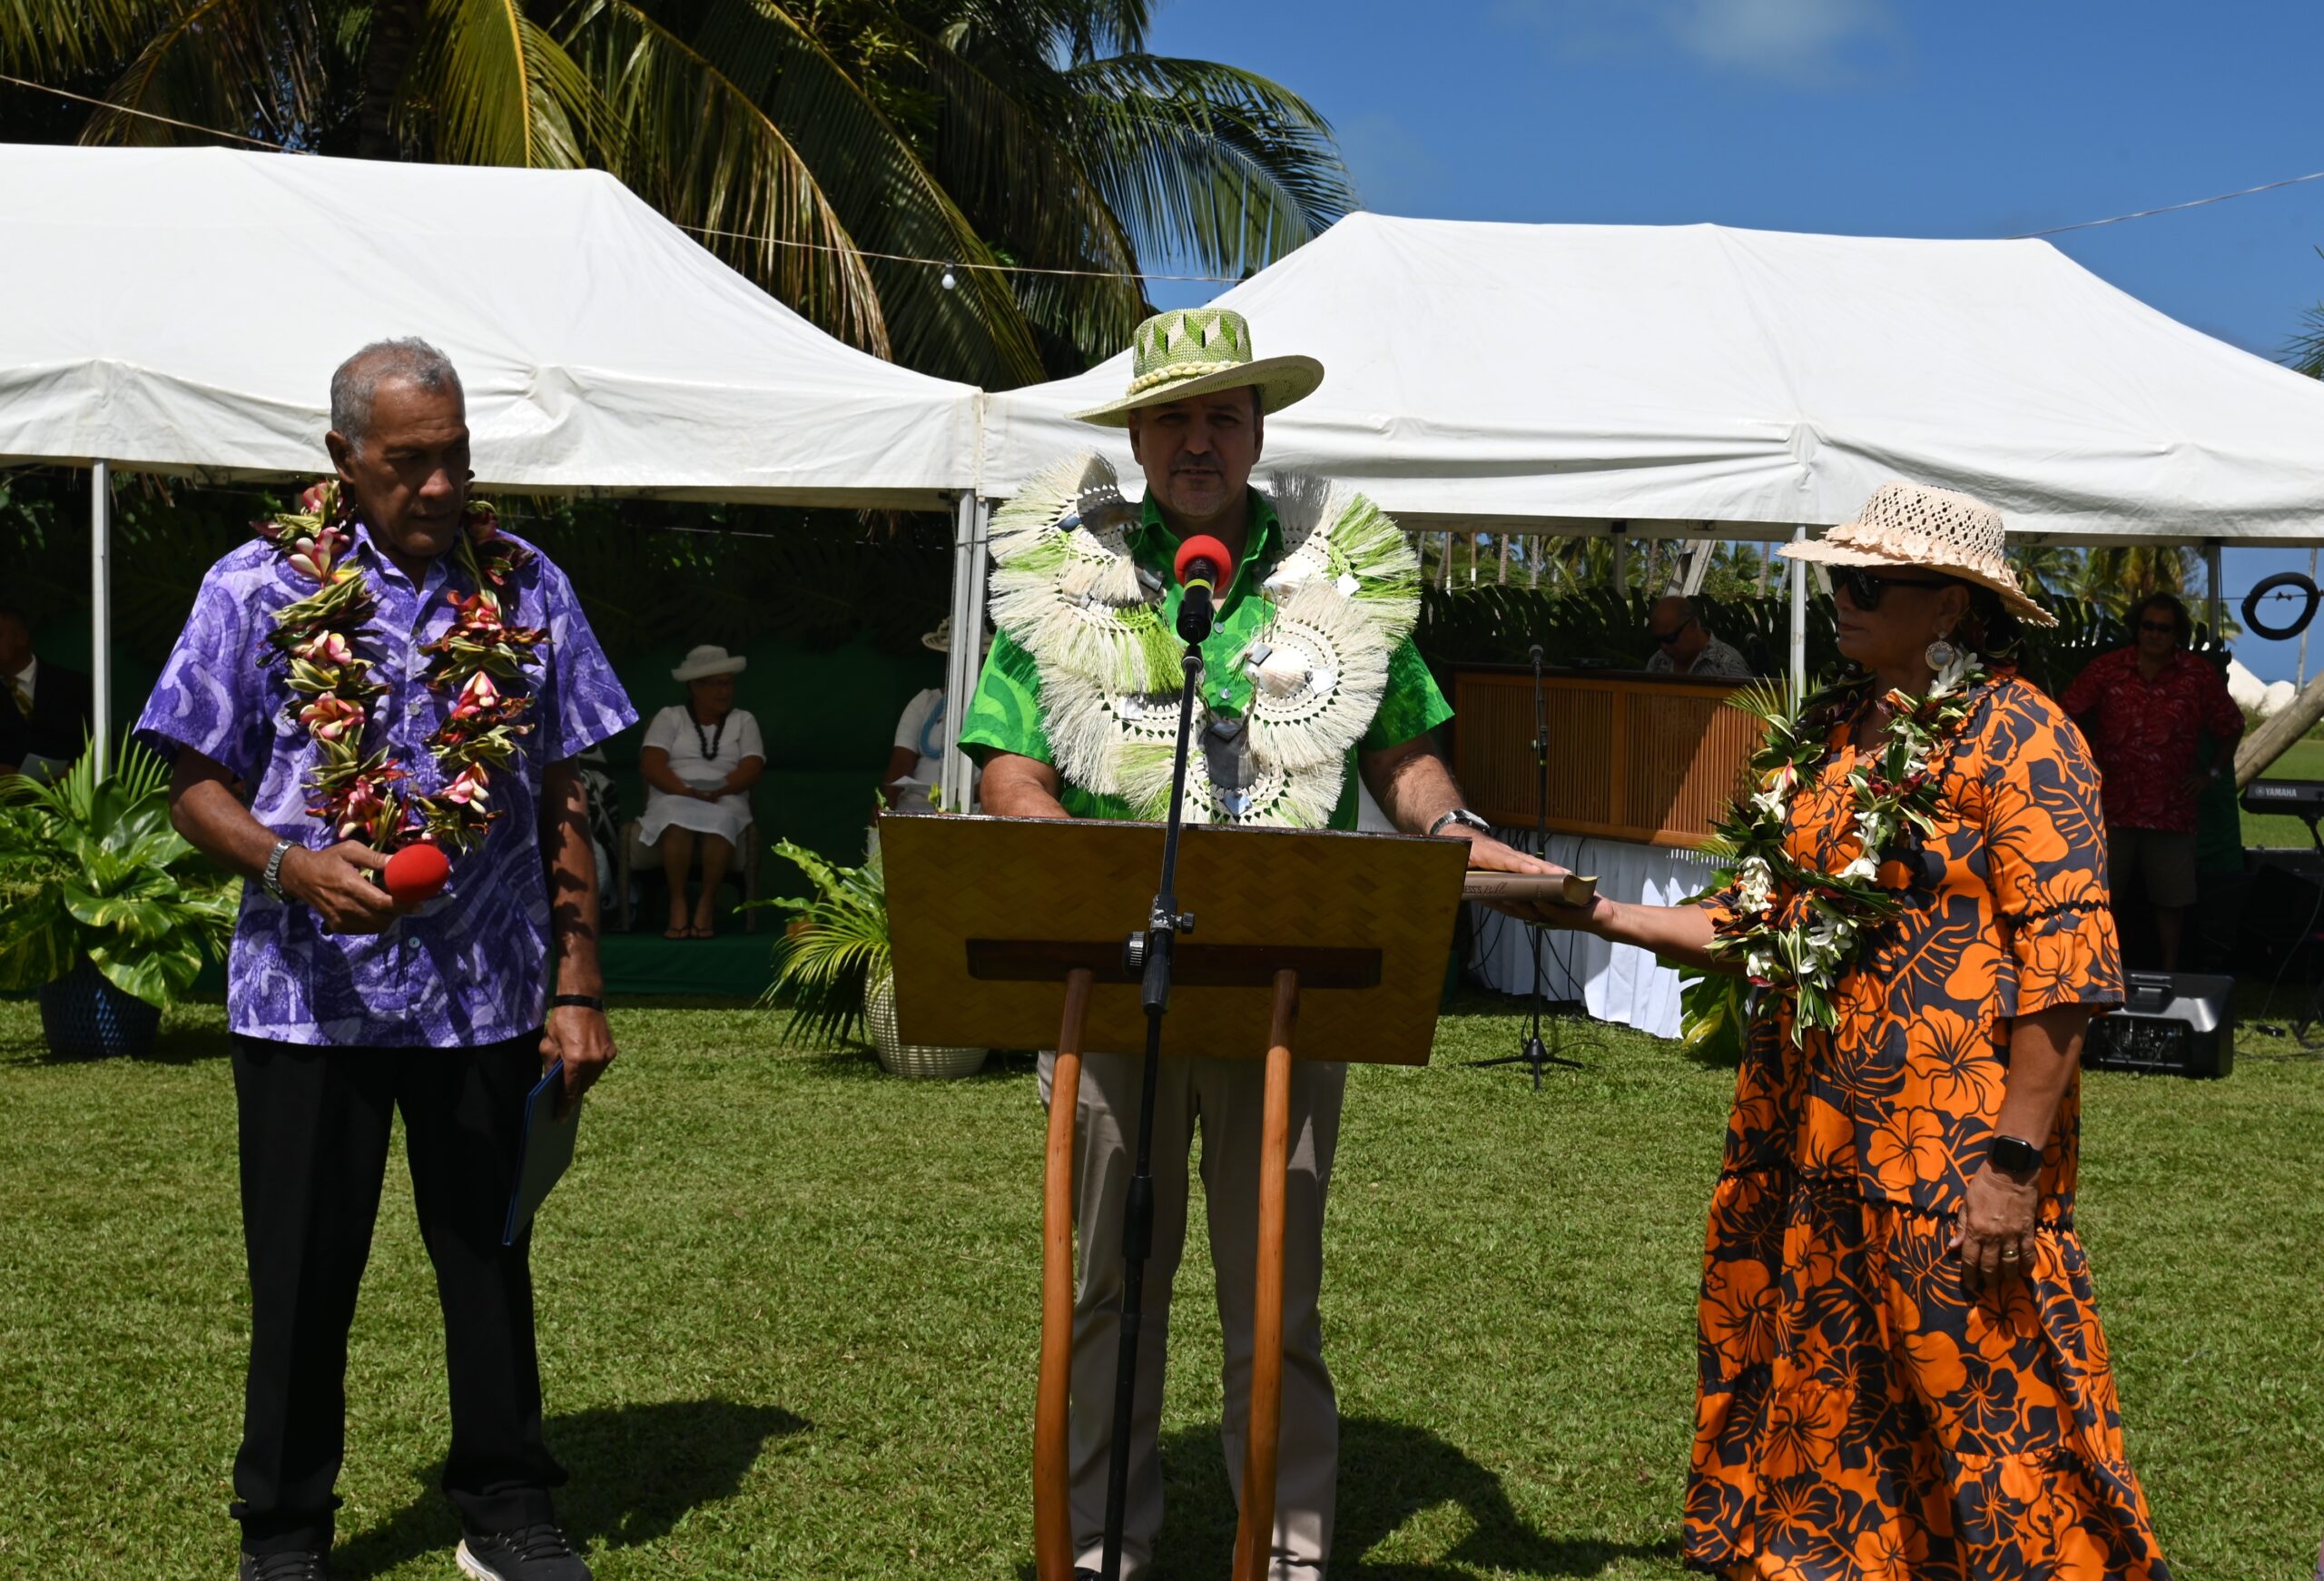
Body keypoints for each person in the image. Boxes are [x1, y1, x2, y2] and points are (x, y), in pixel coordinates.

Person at [960, 307, 1557, 1580]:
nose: (1197, 439)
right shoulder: (1065, 568)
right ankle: (1107, 1548)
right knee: (1109, 1282)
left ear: (1258, 433)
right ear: (1135, 433)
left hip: (1292, 978)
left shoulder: (1338, 571)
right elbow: (1009, 759)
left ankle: (1282, 1553)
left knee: (1274, 1293)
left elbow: (1403, 750)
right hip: (1109, 977)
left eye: (1223, 415)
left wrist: (1457, 826)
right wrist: (1047, 833)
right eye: (1175, 415)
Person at [1531, 482, 2171, 1578]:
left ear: (1952, 607)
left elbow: (2065, 970)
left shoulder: (2023, 738)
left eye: (1869, 579)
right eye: (1836, 573)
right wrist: (1594, 908)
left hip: (1953, 1147)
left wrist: (2013, 1165)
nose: (1842, 594)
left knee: (1979, 1392)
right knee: (1830, 1381)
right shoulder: (1827, 730)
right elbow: (1757, 921)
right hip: (1811, 1133)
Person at [137, 339, 636, 1581]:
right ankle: (288, 1528)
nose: (439, 486)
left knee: (489, 1257)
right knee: (302, 1271)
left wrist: (578, 985)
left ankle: (508, 1505)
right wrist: (285, 864)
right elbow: (191, 778)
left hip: (486, 994)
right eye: (409, 463)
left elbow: (563, 788)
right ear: (342, 458)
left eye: (455, 457)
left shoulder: (526, 587)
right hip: (308, 1003)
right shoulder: (254, 586)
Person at [2061, 591, 2242, 972]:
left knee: (2171, 902)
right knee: (2100, 896)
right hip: (2109, 806)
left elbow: (2231, 725)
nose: (2155, 634)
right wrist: (2078, 769)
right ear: (2136, 628)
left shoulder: (2198, 675)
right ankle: (2094, 971)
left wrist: (2210, 774)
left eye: (2164, 628)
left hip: (2171, 810)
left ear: (2176, 633)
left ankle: (2170, 973)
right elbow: (2063, 716)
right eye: (2148, 626)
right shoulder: (2106, 669)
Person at [635, 644, 764, 938]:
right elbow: (652, 765)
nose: (725, 691)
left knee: (722, 820)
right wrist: (685, 791)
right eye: (718, 684)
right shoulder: (669, 717)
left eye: (728, 683)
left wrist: (721, 789)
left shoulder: (744, 720)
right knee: (677, 817)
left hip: (727, 796)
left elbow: (753, 767)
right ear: (695, 686)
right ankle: (678, 903)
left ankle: (706, 904)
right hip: (674, 795)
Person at [882, 618, 985, 812]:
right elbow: (902, 759)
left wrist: (971, 794)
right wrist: (887, 805)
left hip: (968, 810)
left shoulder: (991, 706)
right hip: (917, 806)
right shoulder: (924, 701)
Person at [0, 602, 94, 779]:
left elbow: (103, 744)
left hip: (72, 798)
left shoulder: (73, 685)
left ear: (21, 637)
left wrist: (77, 772)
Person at [1643, 594, 1750, 677]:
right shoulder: (1658, 660)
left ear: (1693, 625)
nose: (1663, 646)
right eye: (1658, 640)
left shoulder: (1728, 666)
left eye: (1670, 638)